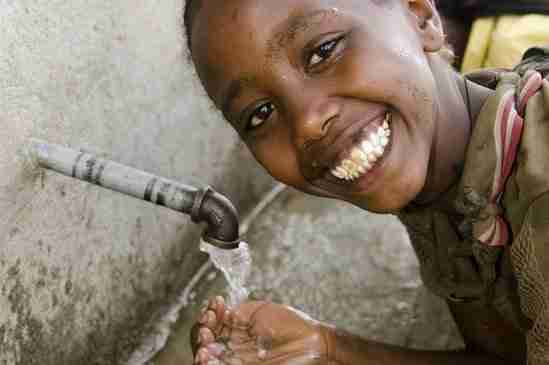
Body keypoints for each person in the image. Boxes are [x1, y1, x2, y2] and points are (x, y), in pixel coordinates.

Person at [183, 0, 549, 364]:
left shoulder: (539, 187)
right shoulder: (448, 169)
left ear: (420, 15)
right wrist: (327, 347)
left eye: (322, 52)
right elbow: (506, 354)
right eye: (260, 114)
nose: (307, 123)